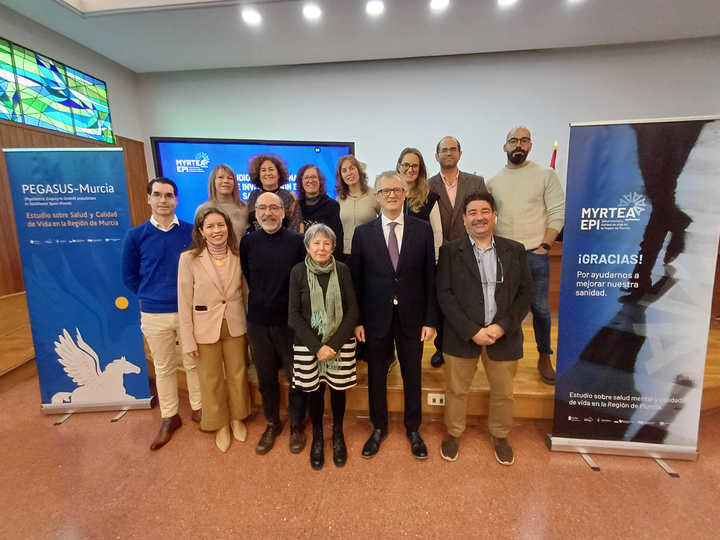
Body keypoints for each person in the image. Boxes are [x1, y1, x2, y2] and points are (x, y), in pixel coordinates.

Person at [436, 192, 533, 465]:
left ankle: (500, 435)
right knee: (456, 389)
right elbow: (444, 294)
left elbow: (525, 294)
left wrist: (502, 327)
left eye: (485, 211)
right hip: (462, 335)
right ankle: (453, 433)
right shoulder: (450, 252)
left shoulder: (515, 250)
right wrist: (472, 330)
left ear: (494, 215)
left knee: (504, 392)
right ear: (464, 219)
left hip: (504, 336)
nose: (479, 217)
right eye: (473, 213)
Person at [351, 171, 438, 460]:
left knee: (413, 375)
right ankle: (379, 428)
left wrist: (430, 320)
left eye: (397, 190)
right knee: (377, 376)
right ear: (376, 197)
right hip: (375, 319)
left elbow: (430, 278)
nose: (391, 194)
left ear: (405, 194)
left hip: (413, 318)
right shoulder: (363, 234)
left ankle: (413, 429)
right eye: (385, 191)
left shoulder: (422, 230)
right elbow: (357, 281)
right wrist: (358, 321)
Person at [121, 177, 202, 451]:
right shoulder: (136, 236)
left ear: (177, 200)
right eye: (158, 195)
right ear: (149, 199)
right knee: (165, 367)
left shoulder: (191, 233)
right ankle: (170, 417)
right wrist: (150, 295)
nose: (163, 200)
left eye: (169, 195)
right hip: (154, 314)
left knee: (193, 362)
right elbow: (130, 277)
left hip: (188, 312)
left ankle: (199, 408)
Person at [487, 126, 565, 385]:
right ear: (504, 146)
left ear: (530, 145)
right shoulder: (493, 181)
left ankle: (545, 355)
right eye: (513, 141)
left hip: (535, 253)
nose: (518, 145)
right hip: (504, 256)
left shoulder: (546, 174)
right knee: (507, 309)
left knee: (541, 309)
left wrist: (544, 245)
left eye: (523, 140)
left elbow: (557, 212)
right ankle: (510, 357)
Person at [177, 208, 252, 453]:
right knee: (210, 379)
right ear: (201, 231)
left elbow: (246, 294)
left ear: (228, 228)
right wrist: (187, 340)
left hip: (235, 324)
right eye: (210, 226)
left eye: (221, 225)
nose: (217, 230)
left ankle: (237, 418)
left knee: (237, 374)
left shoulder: (239, 256)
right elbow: (184, 301)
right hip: (203, 328)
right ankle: (219, 423)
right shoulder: (188, 259)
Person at [240, 192, 308, 455]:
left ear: (283, 212)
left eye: (274, 208)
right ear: (255, 213)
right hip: (257, 322)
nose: (268, 213)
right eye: (262, 208)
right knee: (266, 378)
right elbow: (249, 276)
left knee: (296, 378)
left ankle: (297, 425)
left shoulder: (298, 242)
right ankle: (272, 423)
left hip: (289, 324)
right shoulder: (248, 244)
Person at [288, 224, 359, 470]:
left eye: (326, 243)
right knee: (314, 391)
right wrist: (317, 347)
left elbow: (352, 310)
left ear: (333, 247)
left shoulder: (342, 270)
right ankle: (318, 435)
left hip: (340, 344)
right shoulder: (297, 272)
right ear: (307, 247)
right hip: (309, 345)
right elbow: (293, 316)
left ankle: (337, 433)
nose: (321, 248)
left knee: (339, 390)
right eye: (316, 243)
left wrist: (334, 344)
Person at [428, 136, 487, 368]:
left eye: (453, 149)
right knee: (444, 301)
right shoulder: (427, 184)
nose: (449, 153)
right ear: (437, 156)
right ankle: (441, 348)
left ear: (460, 154)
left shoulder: (476, 182)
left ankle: (469, 344)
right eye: (444, 149)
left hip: (470, 252)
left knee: (468, 301)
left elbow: (484, 214)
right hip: (440, 252)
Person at [396, 147, 442, 260]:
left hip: (420, 259)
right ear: (399, 167)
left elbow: (437, 231)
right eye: (406, 165)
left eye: (415, 166)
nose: (410, 169)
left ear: (420, 169)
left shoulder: (429, 198)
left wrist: (435, 259)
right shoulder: (390, 196)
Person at [336, 155, 380, 262]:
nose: (349, 173)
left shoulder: (374, 195)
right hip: (346, 254)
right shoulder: (339, 199)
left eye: (352, 168)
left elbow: (385, 222)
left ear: (359, 171)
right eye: (344, 170)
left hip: (370, 253)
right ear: (341, 175)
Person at [297, 164, 344, 260]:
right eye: (306, 177)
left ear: (320, 181)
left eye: (314, 177)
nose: (310, 180)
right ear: (301, 182)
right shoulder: (297, 206)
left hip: (325, 261)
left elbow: (337, 240)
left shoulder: (332, 205)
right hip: (301, 262)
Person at [246, 154, 303, 233]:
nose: (268, 173)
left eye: (271, 169)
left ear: (279, 174)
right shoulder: (253, 196)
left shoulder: (288, 196)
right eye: (263, 170)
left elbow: (296, 226)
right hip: (256, 243)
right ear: (258, 175)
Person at [195, 164, 249, 241]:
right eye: (220, 177)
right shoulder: (203, 209)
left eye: (230, 178)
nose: (226, 181)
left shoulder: (245, 208)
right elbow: (197, 240)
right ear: (213, 181)